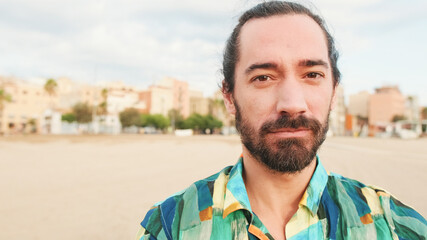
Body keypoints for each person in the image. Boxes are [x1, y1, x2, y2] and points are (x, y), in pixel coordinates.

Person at [137, 1, 427, 239]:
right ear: (229, 96)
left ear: (334, 92)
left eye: (312, 75)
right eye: (263, 77)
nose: (292, 104)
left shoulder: (395, 227)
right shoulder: (170, 226)